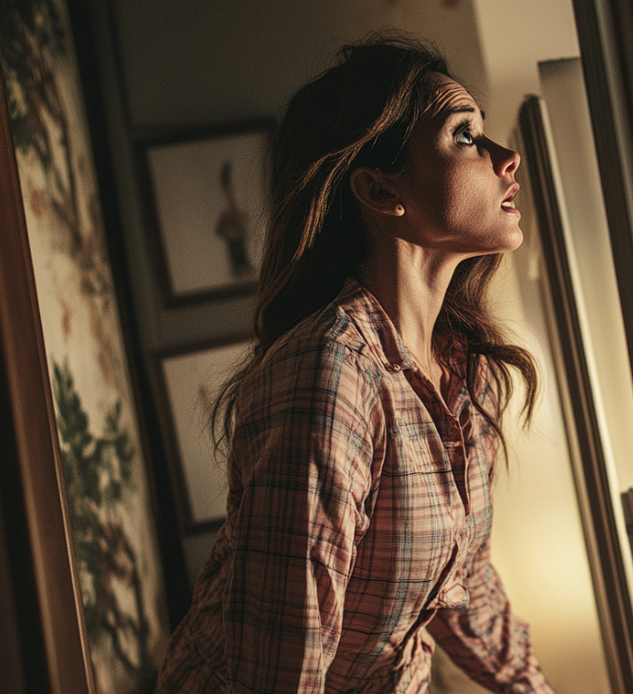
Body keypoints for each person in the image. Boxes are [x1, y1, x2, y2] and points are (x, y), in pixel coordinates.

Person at [155, 34, 553, 693]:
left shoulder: (460, 367)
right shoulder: (330, 373)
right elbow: (281, 671)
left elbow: (470, 587)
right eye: (464, 136)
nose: (506, 158)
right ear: (379, 187)